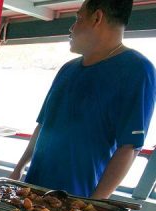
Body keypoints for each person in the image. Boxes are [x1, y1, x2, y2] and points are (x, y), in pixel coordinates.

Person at [10, 0, 156, 199]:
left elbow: (130, 147)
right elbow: (43, 125)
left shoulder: (137, 70)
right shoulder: (66, 70)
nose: (71, 28)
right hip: (32, 191)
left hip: (77, 197)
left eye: (78, 19)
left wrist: (94, 204)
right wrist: (19, 169)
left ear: (97, 18)